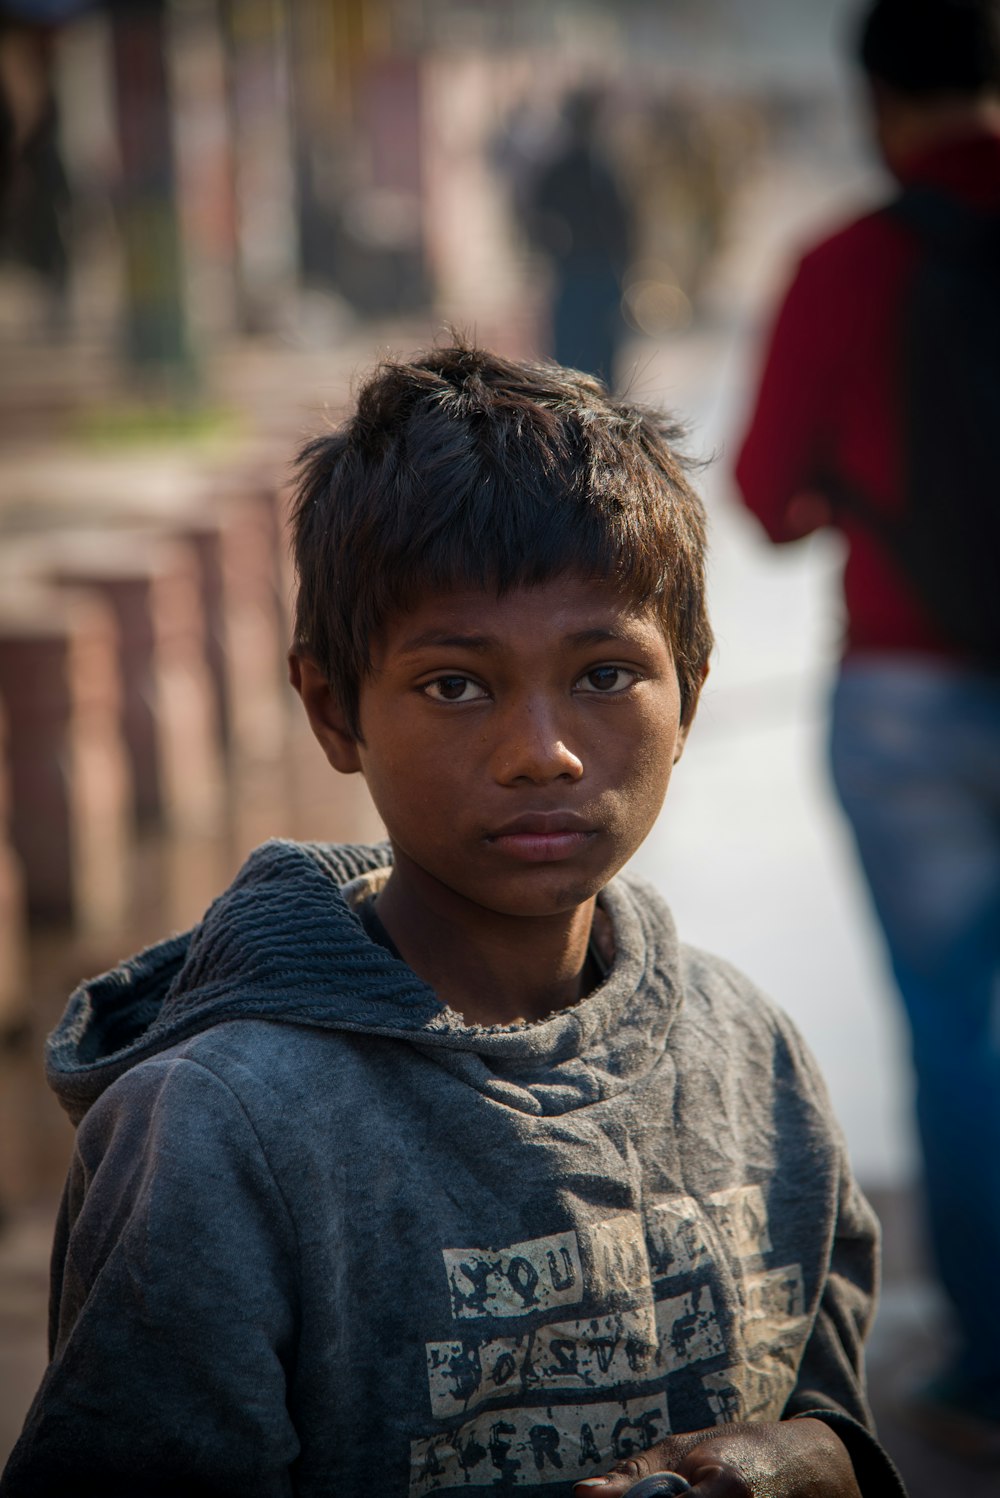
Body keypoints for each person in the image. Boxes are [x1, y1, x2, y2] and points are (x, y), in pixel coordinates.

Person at [1, 346, 906, 1496]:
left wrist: (808, 1464)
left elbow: (831, 1409)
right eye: (455, 686)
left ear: (691, 691)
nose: (545, 752)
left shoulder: (752, 1055)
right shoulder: (219, 1138)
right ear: (333, 710)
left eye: (604, 673)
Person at [734, 0, 1000, 1455]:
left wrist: (867, 498)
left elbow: (769, 501)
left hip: (908, 698)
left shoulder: (849, 264)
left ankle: (990, 1363)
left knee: (957, 1031)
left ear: (875, 98)